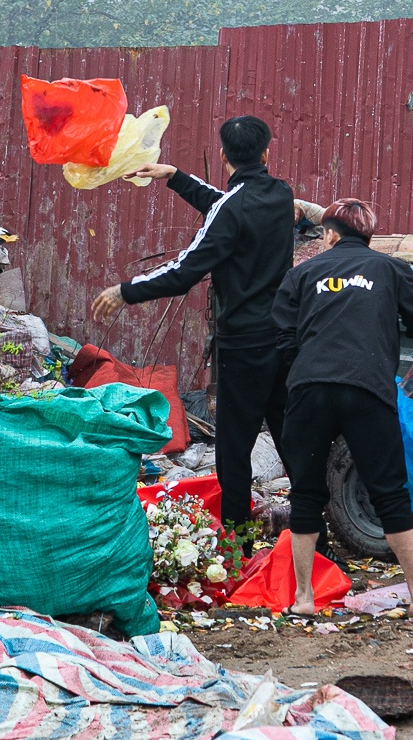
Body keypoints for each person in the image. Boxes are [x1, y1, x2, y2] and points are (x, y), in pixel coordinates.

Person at [90, 115, 293, 528]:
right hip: (284, 339)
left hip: (244, 345)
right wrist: (176, 176)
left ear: (222, 155)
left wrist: (124, 290)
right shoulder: (280, 196)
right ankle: (314, 534)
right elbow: (229, 207)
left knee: (234, 447)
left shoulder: (232, 208)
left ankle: (237, 539)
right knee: (292, 439)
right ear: (267, 154)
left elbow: (184, 271)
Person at [272, 199, 413, 618]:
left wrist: (305, 371)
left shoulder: (301, 274)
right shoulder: (391, 270)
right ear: (368, 237)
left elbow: (282, 340)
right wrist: (410, 382)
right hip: (368, 391)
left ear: (329, 234)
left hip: (309, 390)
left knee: (305, 494)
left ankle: (304, 600)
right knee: (390, 494)